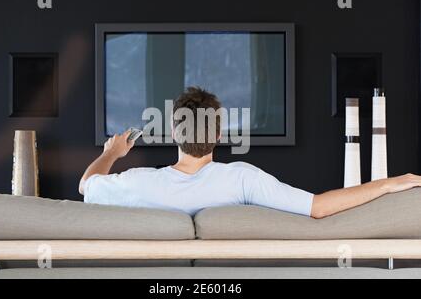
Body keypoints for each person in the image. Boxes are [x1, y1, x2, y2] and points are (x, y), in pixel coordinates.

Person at [79, 87, 421, 218]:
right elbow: (318, 207)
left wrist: (111, 153)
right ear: (218, 134)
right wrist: (387, 183)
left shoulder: (139, 182)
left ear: (174, 133)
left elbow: (86, 185)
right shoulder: (242, 179)